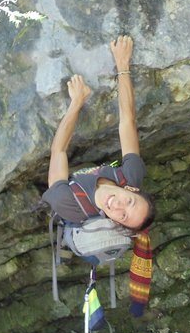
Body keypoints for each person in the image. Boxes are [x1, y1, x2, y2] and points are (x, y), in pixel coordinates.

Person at [42, 35, 155, 231]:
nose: (119, 206)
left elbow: (58, 150)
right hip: (96, 172)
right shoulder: (131, 176)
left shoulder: (69, 204)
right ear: (131, 189)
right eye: (129, 202)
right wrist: (122, 64)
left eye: (123, 216)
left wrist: (76, 103)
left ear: (114, 223)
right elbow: (127, 121)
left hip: (71, 183)